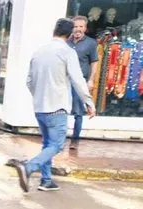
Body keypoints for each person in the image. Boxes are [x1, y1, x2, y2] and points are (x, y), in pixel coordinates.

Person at [18, 18, 95, 193]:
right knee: (57, 145)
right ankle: (28, 168)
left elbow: (29, 81)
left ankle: (46, 180)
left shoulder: (39, 51)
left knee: (47, 144)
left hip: (40, 107)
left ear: (54, 31)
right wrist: (88, 102)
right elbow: (78, 80)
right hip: (57, 107)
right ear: (69, 35)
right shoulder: (67, 52)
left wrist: (39, 96)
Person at [67, 16, 99, 150]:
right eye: (75, 26)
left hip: (80, 82)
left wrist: (91, 80)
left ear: (85, 28)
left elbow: (94, 62)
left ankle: (75, 139)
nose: (77, 29)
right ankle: (59, 136)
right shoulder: (66, 42)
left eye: (80, 27)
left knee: (78, 112)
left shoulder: (91, 43)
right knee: (61, 109)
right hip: (65, 81)